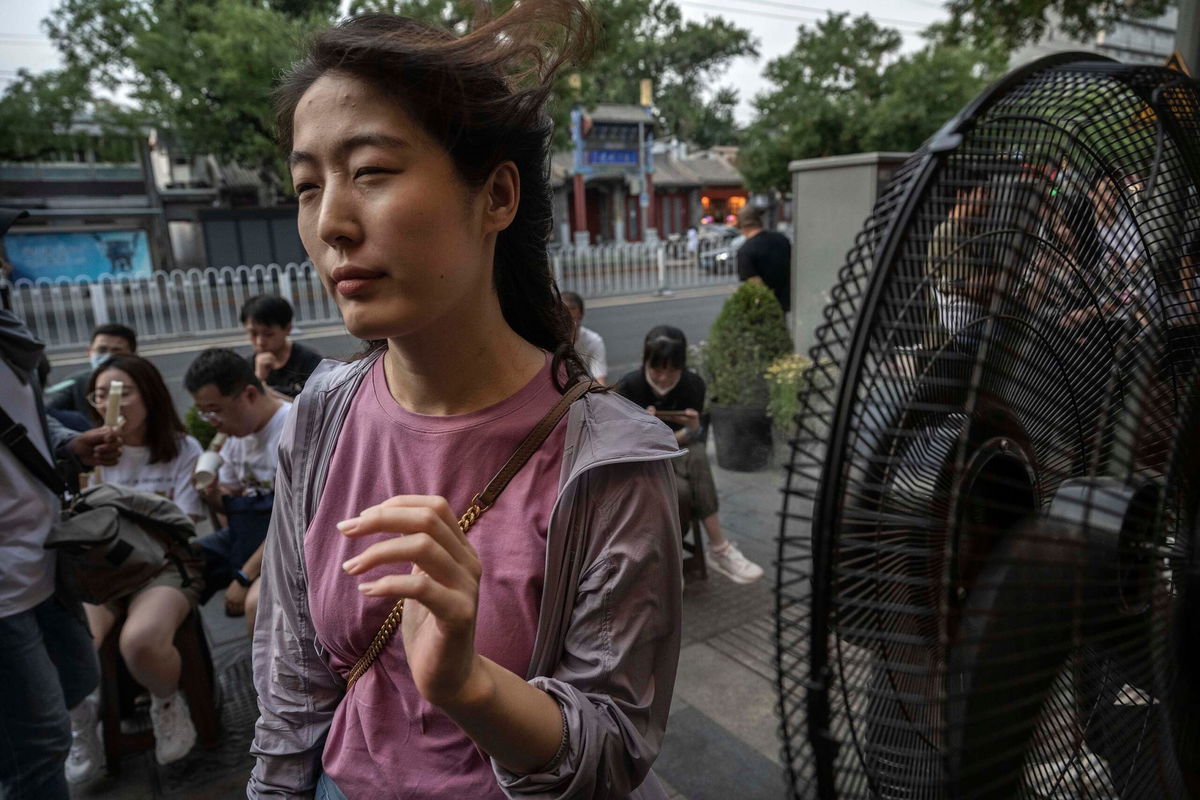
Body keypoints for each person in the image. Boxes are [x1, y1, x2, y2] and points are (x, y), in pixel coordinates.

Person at [249, 4, 683, 798]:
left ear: (497, 197)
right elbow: (292, 679)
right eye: (308, 187)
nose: (332, 224)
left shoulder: (610, 462)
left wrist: (468, 684)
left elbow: (615, 746)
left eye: (372, 170)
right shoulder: (321, 416)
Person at [0, 306, 122, 799]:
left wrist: (69, 446)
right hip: (4, 586)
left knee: (76, 678)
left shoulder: (8, 338)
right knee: (39, 744)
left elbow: (23, 423)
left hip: (43, 555)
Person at [67, 355, 208, 778]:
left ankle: (167, 702)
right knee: (75, 640)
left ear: (149, 394)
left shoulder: (183, 449)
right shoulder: (87, 452)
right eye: (102, 395)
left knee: (140, 640)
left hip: (161, 565)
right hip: (100, 568)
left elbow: (186, 522)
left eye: (123, 392)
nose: (113, 403)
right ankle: (81, 721)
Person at [615, 326, 764, 584]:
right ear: (645, 363)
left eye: (672, 370)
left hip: (678, 451)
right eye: (657, 370)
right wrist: (645, 430)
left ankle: (714, 551)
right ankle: (694, 555)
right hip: (644, 461)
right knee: (682, 493)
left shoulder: (693, 384)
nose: (663, 378)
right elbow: (622, 445)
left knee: (696, 454)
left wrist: (693, 429)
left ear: (682, 366)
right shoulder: (629, 386)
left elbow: (694, 437)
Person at [185, 348, 291, 632]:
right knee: (177, 563)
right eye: (204, 413)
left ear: (249, 395)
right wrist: (212, 492)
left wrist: (245, 575)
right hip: (249, 534)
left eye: (215, 410)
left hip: (288, 544)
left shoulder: (291, 432)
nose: (213, 422)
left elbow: (293, 522)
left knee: (256, 604)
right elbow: (230, 504)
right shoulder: (236, 435)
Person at [44, 323, 137, 417]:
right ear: (89, 352)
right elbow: (46, 411)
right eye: (102, 350)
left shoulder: (145, 382)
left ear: (133, 355)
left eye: (117, 351)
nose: (108, 356)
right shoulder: (76, 383)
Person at [240, 294, 323, 398]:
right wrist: (258, 378)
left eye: (268, 334)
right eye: (253, 334)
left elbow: (315, 406)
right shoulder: (246, 367)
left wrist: (263, 389)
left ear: (287, 329)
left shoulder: (309, 361)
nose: (260, 341)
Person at [735, 205, 791, 314]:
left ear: (741, 226)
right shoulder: (781, 239)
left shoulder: (745, 251)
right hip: (787, 302)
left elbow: (756, 287)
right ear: (760, 221)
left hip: (765, 310)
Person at [561, 290, 607, 384]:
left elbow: (600, 379)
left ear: (581, 316)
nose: (569, 324)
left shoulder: (594, 341)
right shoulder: (549, 341)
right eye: (565, 319)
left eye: (573, 319)